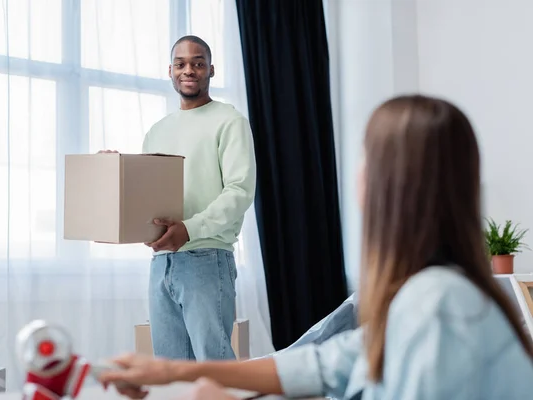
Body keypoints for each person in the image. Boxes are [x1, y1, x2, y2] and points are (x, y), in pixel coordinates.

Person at [99, 95, 533, 399]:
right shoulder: (422, 292)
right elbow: (320, 365)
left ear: (394, 183)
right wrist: (175, 371)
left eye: (366, 156)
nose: (357, 172)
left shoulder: (439, 308)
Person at [104, 35, 256, 362]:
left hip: (207, 257)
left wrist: (190, 229)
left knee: (214, 369)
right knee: (169, 372)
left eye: (198, 63)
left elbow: (240, 191)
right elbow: (147, 194)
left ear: (211, 70)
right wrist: (113, 169)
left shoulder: (229, 121)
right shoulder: (157, 131)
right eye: (181, 63)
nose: (189, 70)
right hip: (161, 262)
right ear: (170, 71)